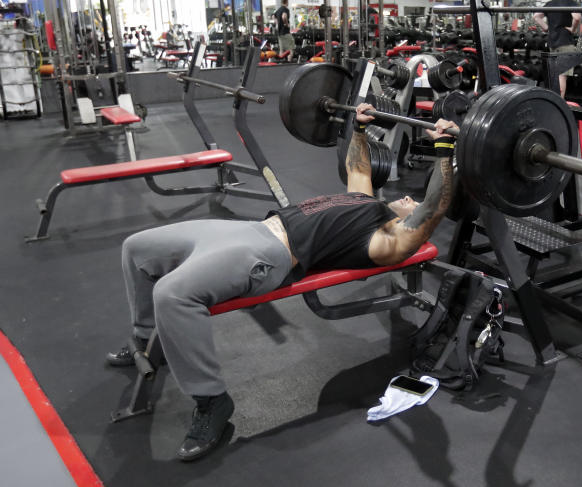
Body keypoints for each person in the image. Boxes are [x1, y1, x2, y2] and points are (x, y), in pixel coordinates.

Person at [106, 104, 459, 462]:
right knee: (136, 247)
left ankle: (212, 401)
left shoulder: (386, 240)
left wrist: (444, 151)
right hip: (249, 229)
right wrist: (359, 129)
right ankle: (147, 340)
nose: (407, 199)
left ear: (408, 223)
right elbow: (357, 167)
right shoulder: (366, 201)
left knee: (173, 294)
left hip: (269, 254)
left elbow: (432, 208)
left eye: (411, 204)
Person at [533, 0, 582, 97]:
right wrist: (573, 29)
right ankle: (559, 103)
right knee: (562, 76)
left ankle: (554, 104)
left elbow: (536, 16)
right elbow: (577, 18)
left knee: (555, 75)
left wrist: (546, 28)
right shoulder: (571, 3)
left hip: (553, 43)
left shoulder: (551, 3)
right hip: (565, 42)